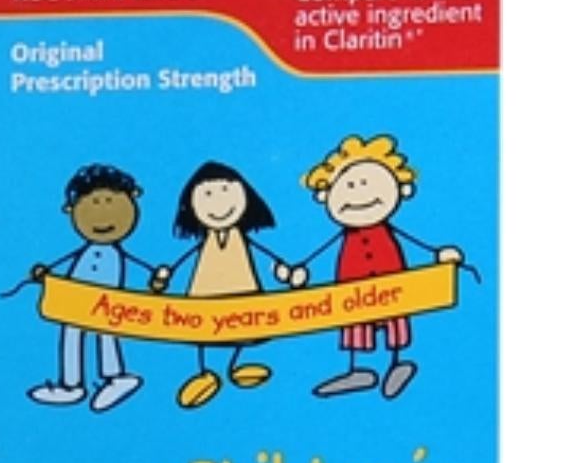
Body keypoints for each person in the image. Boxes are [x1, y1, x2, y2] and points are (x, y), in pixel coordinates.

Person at [289, 134, 464, 399]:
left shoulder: (386, 230)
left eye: (365, 183)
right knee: (357, 325)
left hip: (393, 285)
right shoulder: (346, 235)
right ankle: (359, 370)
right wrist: (299, 272)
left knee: (395, 322)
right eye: (349, 185)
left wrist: (439, 254)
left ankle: (397, 364)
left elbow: (415, 242)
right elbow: (319, 253)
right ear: (327, 195)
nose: (359, 193)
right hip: (353, 288)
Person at [150, 161, 294, 410]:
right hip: (204, 294)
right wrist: (161, 279)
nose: (218, 203)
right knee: (202, 330)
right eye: (207, 195)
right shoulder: (204, 244)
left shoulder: (242, 240)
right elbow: (179, 263)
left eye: (226, 191)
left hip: (244, 293)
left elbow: (267, 257)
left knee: (245, 330)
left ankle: (234, 367)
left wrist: (285, 273)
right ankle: (204, 372)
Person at [26, 164, 149, 412]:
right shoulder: (84, 252)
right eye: (93, 204)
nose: (102, 214)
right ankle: (71, 384)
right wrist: (46, 276)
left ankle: (116, 376)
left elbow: (140, 268)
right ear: (71, 210)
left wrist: (157, 280)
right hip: (75, 300)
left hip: (105, 302)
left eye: (110, 202)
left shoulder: (113, 254)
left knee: (106, 333)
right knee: (71, 333)